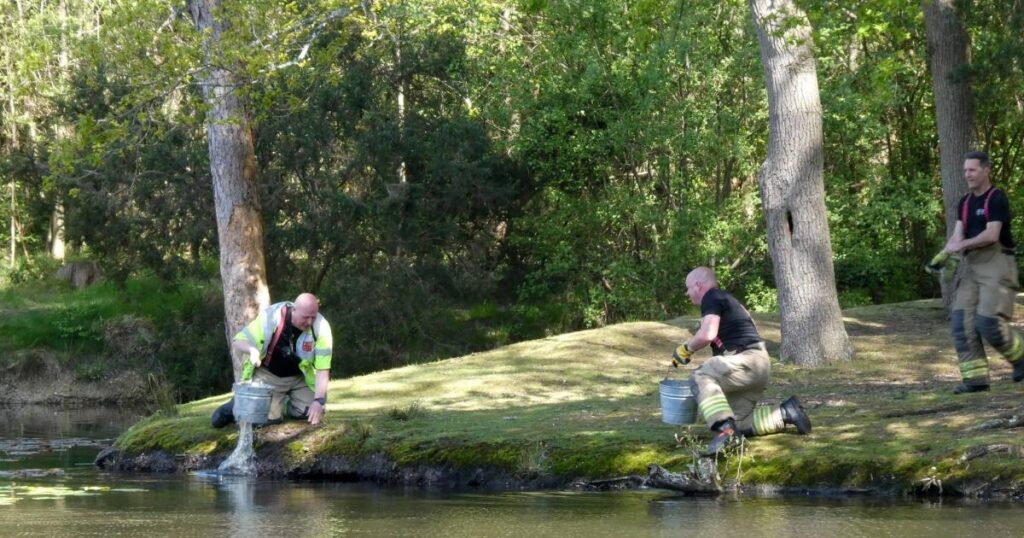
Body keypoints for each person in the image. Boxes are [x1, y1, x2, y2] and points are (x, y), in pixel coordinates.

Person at [671, 267, 811, 455]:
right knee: (739, 421)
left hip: (746, 360)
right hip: (758, 365)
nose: (687, 293)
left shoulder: (711, 296)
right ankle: (786, 412)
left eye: (688, 288)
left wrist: (685, 349)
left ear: (698, 285)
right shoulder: (727, 300)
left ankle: (726, 432)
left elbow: (708, 334)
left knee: (700, 375)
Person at [934, 151, 1024, 393]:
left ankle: (1021, 359)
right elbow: (957, 236)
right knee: (960, 323)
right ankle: (975, 381)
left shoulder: (996, 198)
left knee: (988, 323)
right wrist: (944, 255)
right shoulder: (964, 202)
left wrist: (962, 245)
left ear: (986, 171)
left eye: (972, 170)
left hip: (998, 264)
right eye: (965, 170)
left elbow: (992, 235)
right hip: (973, 267)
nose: (967, 174)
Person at [211, 293, 333, 427]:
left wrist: (318, 401)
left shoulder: (321, 327)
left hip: (301, 378)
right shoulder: (272, 316)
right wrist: (253, 350)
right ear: (294, 310)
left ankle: (285, 403)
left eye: (313, 317)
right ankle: (236, 404)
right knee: (262, 419)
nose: (309, 322)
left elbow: (323, 369)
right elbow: (238, 341)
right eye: (305, 317)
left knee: (309, 412)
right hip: (270, 376)